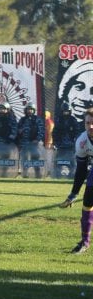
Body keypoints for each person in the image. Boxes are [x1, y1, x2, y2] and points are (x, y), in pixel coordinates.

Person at [60, 108, 93, 254]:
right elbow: (81, 170)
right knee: (87, 201)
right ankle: (85, 242)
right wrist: (73, 193)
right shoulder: (82, 141)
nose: (91, 126)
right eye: (88, 123)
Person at [16, 102, 45, 178]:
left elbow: (41, 131)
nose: (29, 111)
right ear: (26, 110)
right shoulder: (22, 120)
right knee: (24, 160)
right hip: (24, 143)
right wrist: (20, 132)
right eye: (28, 109)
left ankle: (38, 175)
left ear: (34, 110)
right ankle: (25, 175)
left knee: (35, 159)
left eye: (31, 109)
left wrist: (37, 139)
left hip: (34, 143)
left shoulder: (37, 119)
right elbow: (17, 131)